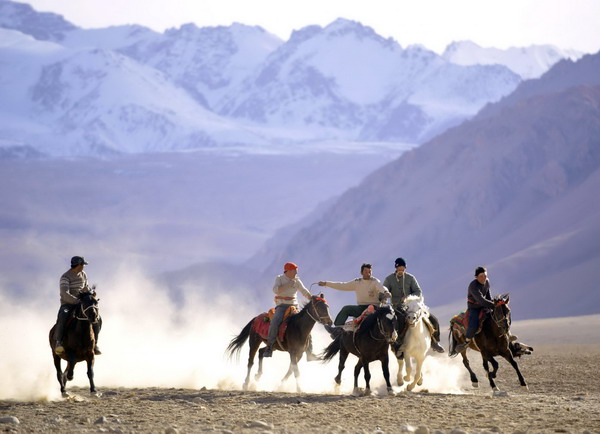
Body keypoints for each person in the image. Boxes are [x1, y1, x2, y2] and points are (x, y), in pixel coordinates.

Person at [383, 257, 444, 353]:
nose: (401, 270)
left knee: (433, 319)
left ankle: (434, 341)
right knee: (399, 321)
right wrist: (384, 295)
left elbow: (418, 292)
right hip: (397, 308)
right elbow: (384, 290)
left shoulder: (410, 278)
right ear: (396, 268)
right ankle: (398, 344)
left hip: (412, 306)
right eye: (399, 268)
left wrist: (408, 297)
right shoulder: (389, 279)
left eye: (403, 268)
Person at [263, 262, 318, 360]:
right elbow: (275, 290)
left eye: (296, 271)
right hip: (282, 306)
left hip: (294, 306)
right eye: (294, 271)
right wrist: (288, 285)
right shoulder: (279, 278)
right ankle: (269, 347)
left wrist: (311, 298)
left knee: (305, 324)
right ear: (288, 271)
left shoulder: (297, 280)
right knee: (275, 322)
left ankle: (310, 352)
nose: (296, 273)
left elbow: (303, 291)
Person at [318, 263, 391, 336]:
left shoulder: (375, 281)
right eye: (366, 271)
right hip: (361, 307)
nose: (368, 273)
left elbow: (381, 287)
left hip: (373, 307)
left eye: (370, 271)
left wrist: (386, 292)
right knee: (346, 309)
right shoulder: (357, 282)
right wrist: (326, 283)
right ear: (361, 272)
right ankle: (337, 330)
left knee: (370, 308)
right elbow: (342, 285)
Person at [53, 256, 102, 356]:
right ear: (78, 265)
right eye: (83, 264)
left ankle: (95, 344)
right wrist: (77, 301)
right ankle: (59, 342)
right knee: (63, 316)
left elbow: (85, 288)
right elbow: (64, 294)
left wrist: (90, 293)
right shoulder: (65, 277)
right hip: (68, 304)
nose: (84, 266)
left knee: (97, 317)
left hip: (81, 303)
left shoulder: (83, 274)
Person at [453, 266, 495, 353]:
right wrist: (492, 305)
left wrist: (494, 305)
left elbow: (488, 296)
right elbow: (481, 300)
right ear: (476, 277)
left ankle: (506, 336)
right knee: (473, 325)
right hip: (474, 308)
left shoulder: (487, 282)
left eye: (485, 276)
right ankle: (466, 342)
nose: (483, 278)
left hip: (484, 306)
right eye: (481, 276)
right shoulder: (473, 286)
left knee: (498, 317)